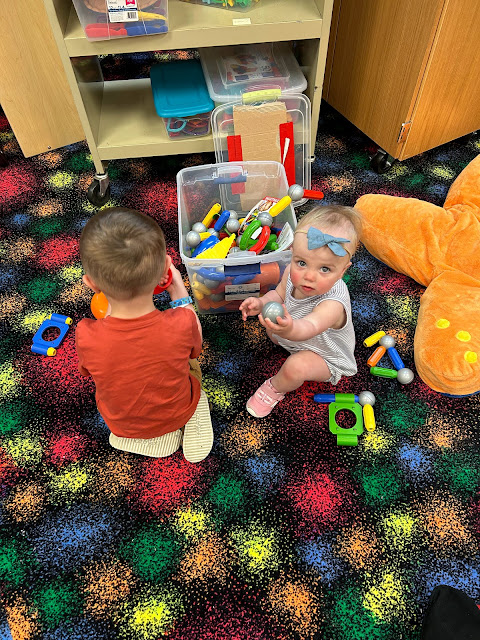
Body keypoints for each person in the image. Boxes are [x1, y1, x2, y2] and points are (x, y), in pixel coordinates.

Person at [75, 207, 213, 462]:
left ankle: (145, 436)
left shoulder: (85, 334)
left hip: (121, 424)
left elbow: (88, 371)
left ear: (91, 284)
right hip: (177, 410)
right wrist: (178, 290)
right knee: (191, 363)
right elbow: (196, 347)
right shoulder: (181, 323)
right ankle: (193, 408)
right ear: (165, 270)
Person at [239, 205, 362, 418]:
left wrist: (289, 329)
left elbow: (310, 327)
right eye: (302, 262)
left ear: (343, 270)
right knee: (272, 324)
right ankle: (286, 339)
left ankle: (274, 388)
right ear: (292, 254)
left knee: (295, 367)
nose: (309, 276)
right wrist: (261, 302)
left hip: (325, 354)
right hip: (295, 333)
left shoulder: (333, 303)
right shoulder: (291, 272)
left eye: (325, 269)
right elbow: (279, 294)